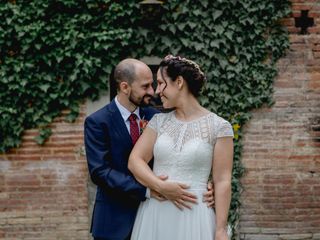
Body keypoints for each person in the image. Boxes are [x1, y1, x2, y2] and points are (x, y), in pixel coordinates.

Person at [84, 58, 214, 240]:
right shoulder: (97, 122)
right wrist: (148, 190)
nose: (153, 92)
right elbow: (100, 171)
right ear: (124, 87)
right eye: (145, 87)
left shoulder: (157, 116)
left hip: (159, 215)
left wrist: (203, 184)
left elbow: (179, 154)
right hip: (114, 220)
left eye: (153, 85)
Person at [128, 55, 234, 240]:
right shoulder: (158, 122)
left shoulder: (220, 126)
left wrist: (221, 229)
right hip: (156, 213)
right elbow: (135, 161)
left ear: (178, 82)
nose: (157, 91)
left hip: (195, 215)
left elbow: (222, 180)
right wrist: (160, 186)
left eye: (161, 83)